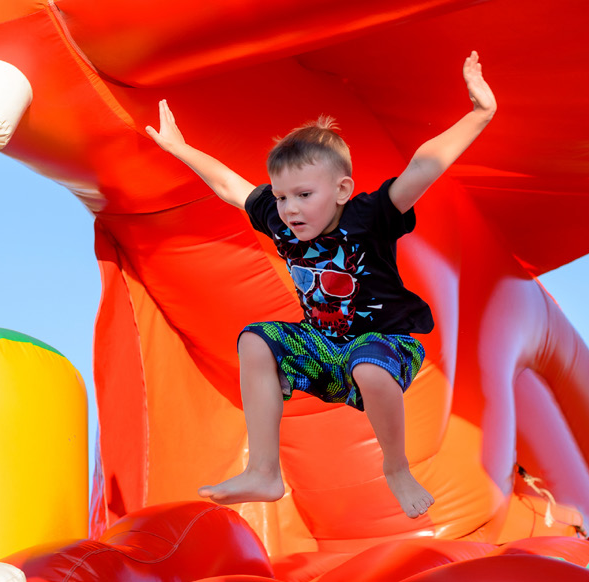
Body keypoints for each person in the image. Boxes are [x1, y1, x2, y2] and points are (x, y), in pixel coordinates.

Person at [146, 51, 497, 518]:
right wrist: (180, 149)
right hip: (322, 348)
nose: (289, 208)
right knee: (254, 340)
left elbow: (422, 166)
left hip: (385, 345)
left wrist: (479, 115)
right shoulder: (281, 221)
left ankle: (397, 469)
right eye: (282, 196)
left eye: (304, 196)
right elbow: (230, 186)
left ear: (342, 190)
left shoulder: (369, 217)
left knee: (370, 367)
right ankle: (266, 472)